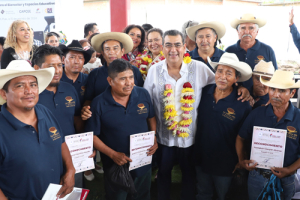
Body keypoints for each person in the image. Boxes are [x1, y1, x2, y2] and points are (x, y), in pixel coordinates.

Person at [143, 29, 251, 200]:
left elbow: (221, 82)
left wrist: (241, 88)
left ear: (184, 47)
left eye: (177, 45)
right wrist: (152, 134)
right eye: (168, 45)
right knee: (163, 174)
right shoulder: (154, 71)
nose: (173, 50)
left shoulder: (199, 68)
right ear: (162, 48)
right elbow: (148, 104)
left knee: (189, 176)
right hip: (164, 138)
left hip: (191, 139)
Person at [0, 60, 75, 199]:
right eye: (20, 85)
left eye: (33, 85)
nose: (29, 91)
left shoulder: (44, 111)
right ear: (4, 94)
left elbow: (60, 142)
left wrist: (70, 169)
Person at [85, 59, 157, 200]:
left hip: (142, 160)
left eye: (131, 77)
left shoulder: (143, 94)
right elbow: (92, 136)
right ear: (110, 80)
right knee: (117, 196)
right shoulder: (99, 103)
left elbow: (151, 117)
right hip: (115, 165)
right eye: (123, 79)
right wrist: (112, 154)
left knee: (142, 195)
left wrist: (154, 136)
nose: (129, 83)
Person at [194, 52, 252, 200]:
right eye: (219, 71)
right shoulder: (204, 92)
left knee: (224, 196)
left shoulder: (242, 103)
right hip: (201, 159)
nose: (222, 76)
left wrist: (240, 159)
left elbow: (245, 136)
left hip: (226, 164)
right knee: (203, 194)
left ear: (236, 78)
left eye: (228, 73)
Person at [236, 70, 300, 200]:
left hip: (286, 178)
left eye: (282, 91)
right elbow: (240, 138)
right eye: (272, 89)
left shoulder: (298, 118)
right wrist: (241, 160)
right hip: (256, 175)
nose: (275, 94)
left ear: (292, 93)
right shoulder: (257, 114)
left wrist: (289, 170)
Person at [82, 32, 144, 109]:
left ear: (122, 51)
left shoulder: (134, 71)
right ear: (103, 53)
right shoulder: (95, 74)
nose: (111, 52)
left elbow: (142, 95)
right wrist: (85, 109)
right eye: (107, 49)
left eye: (115, 48)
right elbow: (88, 100)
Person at [226, 13, 278, 90]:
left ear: (257, 31)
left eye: (251, 28)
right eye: (243, 28)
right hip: (236, 97)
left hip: (261, 98)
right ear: (237, 31)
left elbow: (275, 77)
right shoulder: (229, 51)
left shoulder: (267, 50)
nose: (247, 32)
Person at [59, 40, 92, 105]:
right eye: (72, 57)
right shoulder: (56, 79)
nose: (76, 61)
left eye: (80, 58)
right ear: (63, 60)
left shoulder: (88, 80)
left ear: (84, 61)